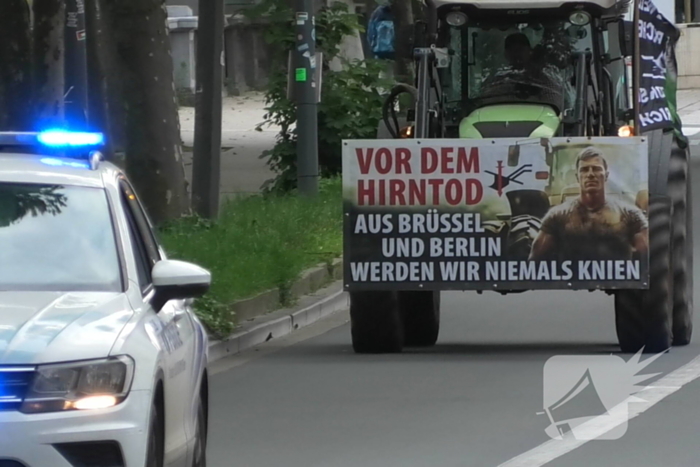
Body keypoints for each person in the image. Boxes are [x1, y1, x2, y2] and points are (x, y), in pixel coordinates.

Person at [528, 147, 649, 262]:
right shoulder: (557, 216)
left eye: (596, 169)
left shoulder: (630, 214)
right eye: (584, 170)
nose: (590, 174)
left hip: (618, 283)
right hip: (571, 282)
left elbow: (647, 262)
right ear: (577, 177)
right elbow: (534, 264)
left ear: (606, 176)